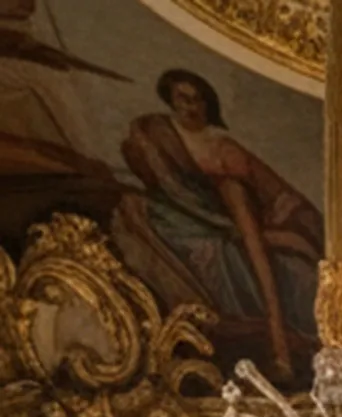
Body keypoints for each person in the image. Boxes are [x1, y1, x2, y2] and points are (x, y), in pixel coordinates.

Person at [114, 68, 322, 379]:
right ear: (171, 101)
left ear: (208, 104)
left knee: (248, 247)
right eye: (182, 99)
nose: (190, 107)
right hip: (187, 217)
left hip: (233, 217)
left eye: (197, 100)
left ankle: (280, 347)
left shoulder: (222, 147)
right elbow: (150, 170)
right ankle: (277, 349)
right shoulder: (157, 132)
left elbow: (268, 189)